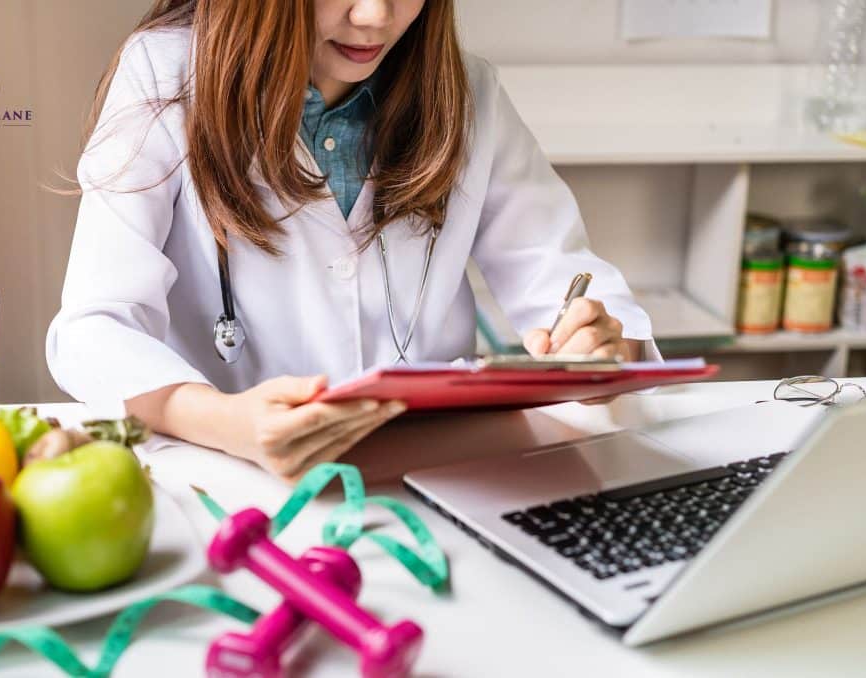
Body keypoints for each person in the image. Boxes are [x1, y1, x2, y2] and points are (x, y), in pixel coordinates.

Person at [47, 0, 658, 482]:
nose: (375, 17)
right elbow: (95, 326)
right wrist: (225, 420)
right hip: (235, 482)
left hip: (439, 473)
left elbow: (562, 271)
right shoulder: (164, 73)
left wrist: (596, 339)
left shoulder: (468, 93)